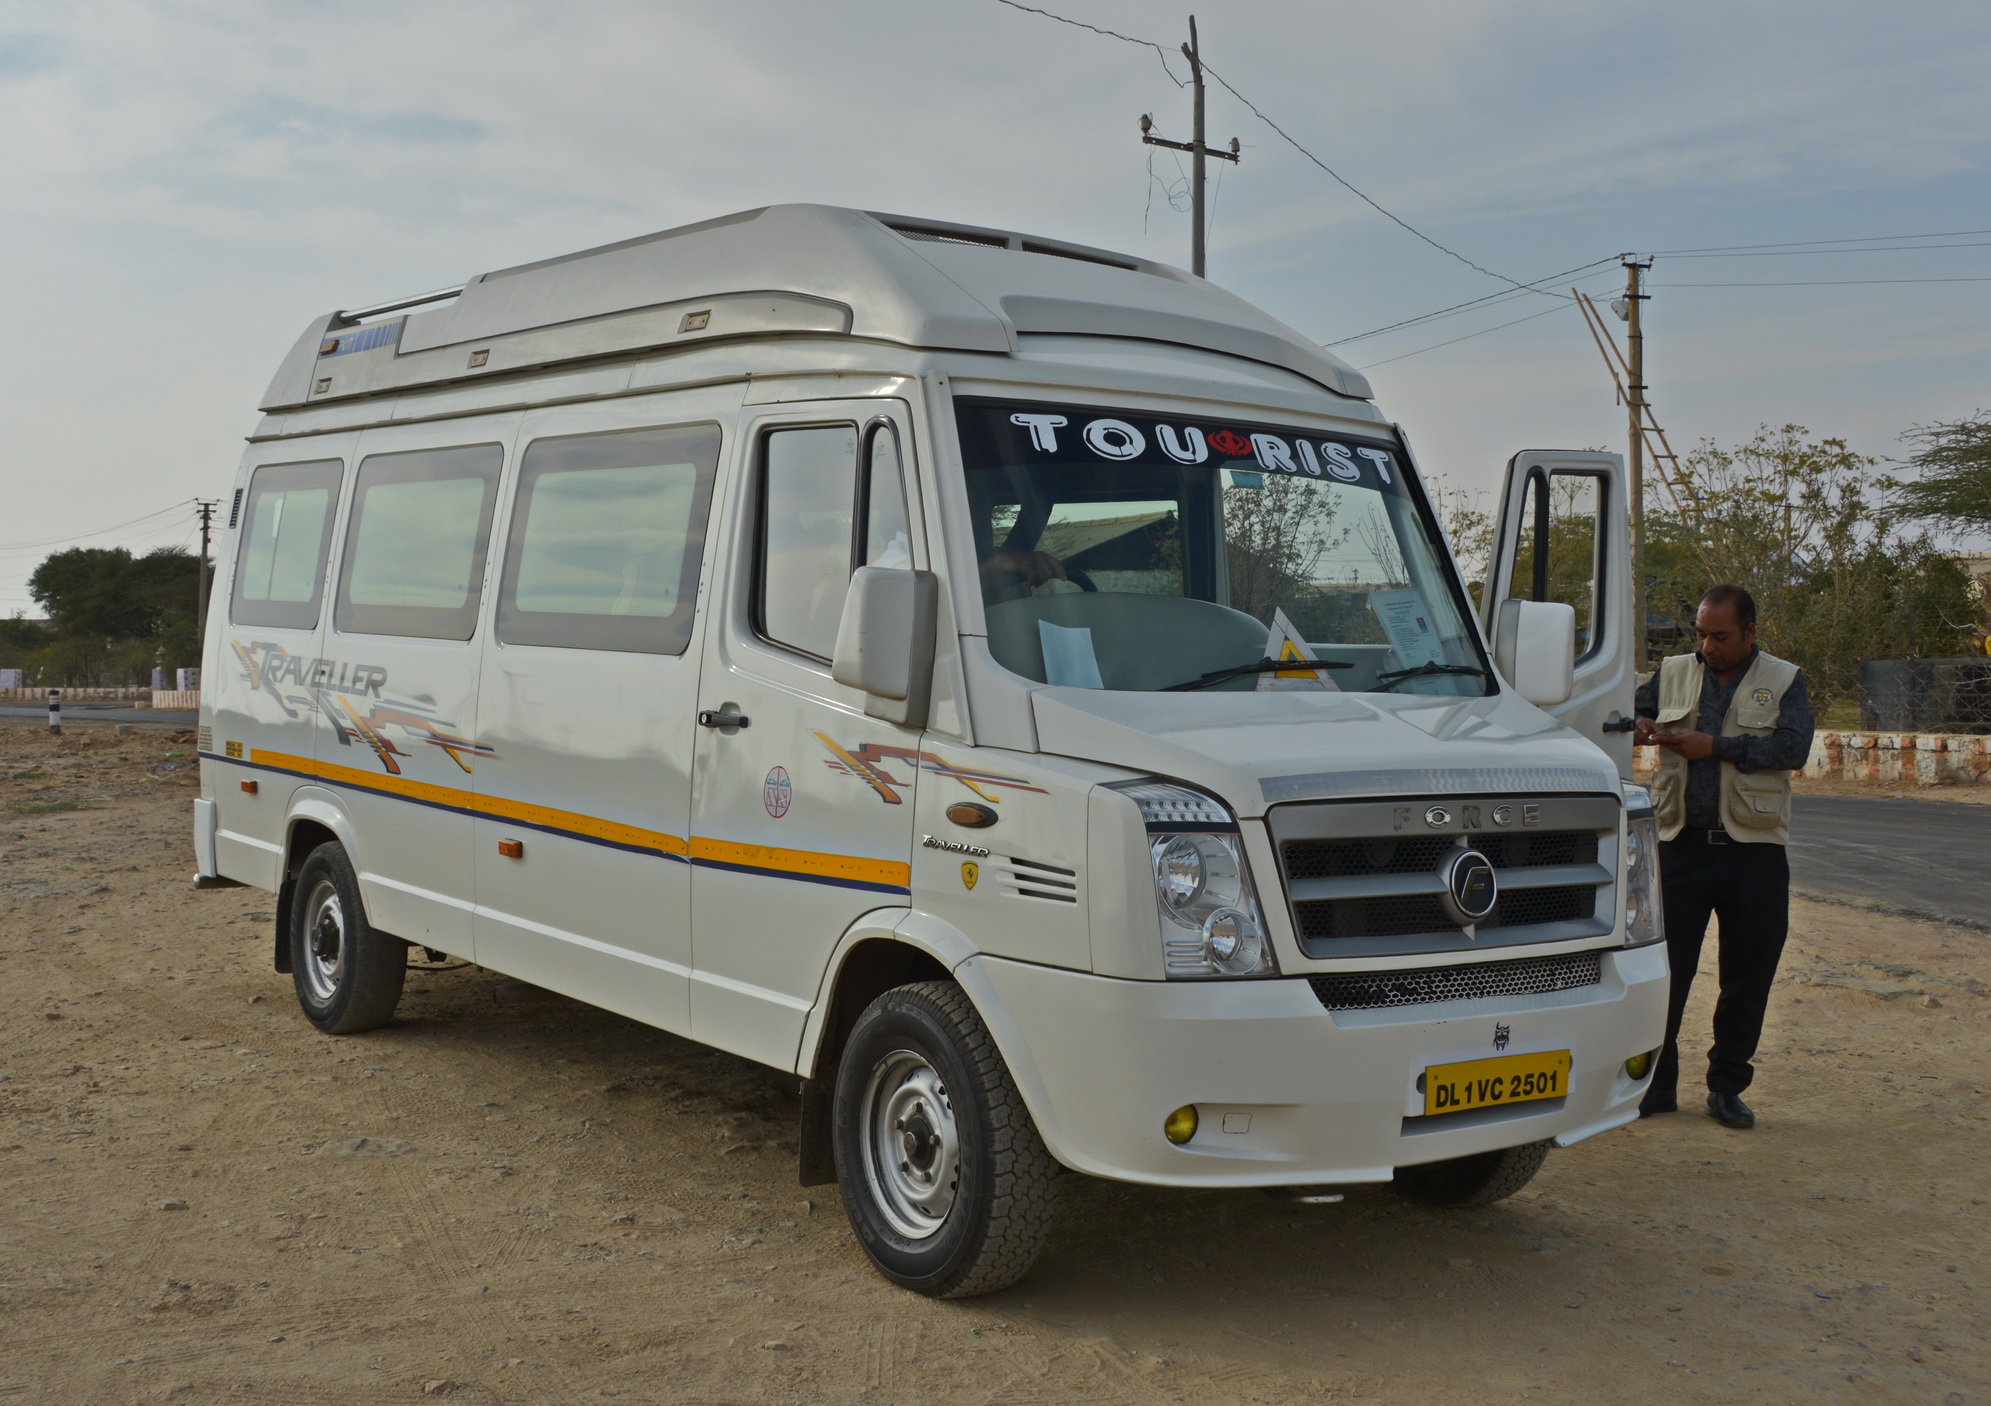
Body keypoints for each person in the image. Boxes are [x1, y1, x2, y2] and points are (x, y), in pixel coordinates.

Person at [1633, 585, 1814, 1129]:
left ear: (1750, 633)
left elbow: (1792, 749)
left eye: (1721, 636)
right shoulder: (1673, 671)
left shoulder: (1785, 679)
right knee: (1666, 974)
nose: (1708, 645)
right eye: (1702, 634)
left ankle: (1726, 1087)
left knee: (1747, 977)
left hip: (1753, 853)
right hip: (1680, 846)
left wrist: (1717, 747)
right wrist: (1643, 725)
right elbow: (1633, 715)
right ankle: (1656, 1087)